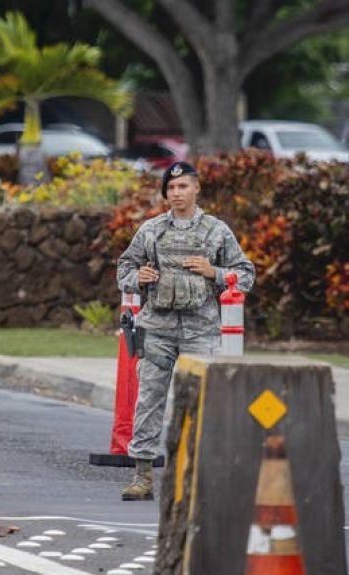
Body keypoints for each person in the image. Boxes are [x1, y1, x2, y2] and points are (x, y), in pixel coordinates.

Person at [116, 161, 255, 501]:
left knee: (200, 402)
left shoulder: (216, 231)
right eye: (171, 188)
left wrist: (215, 272)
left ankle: (196, 476)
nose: (176, 193)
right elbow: (124, 267)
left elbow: (246, 274)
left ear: (196, 189)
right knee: (149, 400)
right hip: (157, 329)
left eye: (183, 187)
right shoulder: (151, 230)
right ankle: (143, 476)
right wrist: (138, 279)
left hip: (201, 330)